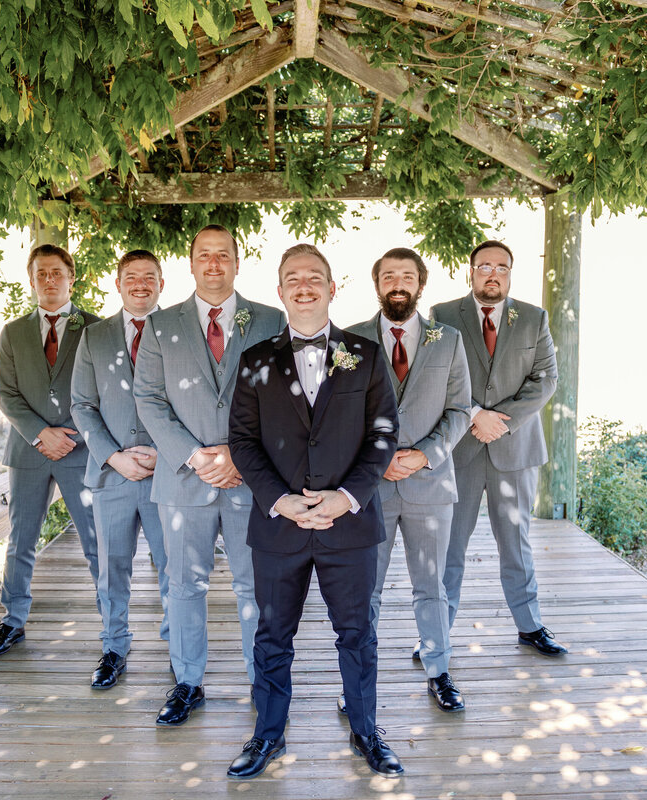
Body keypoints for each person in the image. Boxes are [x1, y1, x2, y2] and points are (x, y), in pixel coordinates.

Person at [225, 243, 404, 780]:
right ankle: (267, 735)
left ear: (332, 287)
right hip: (279, 527)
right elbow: (243, 440)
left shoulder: (365, 355)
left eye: (315, 277)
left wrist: (345, 497)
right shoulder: (255, 360)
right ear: (280, 292)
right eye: (293, 279)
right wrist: (279, 501)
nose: (304, 286)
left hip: (347, 525)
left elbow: (382, 435)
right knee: (273, 635)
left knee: (357, 633)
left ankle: (367, 731)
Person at [133, 225, 286, 726]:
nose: (214, 263)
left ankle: (260, 681)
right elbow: (149, 400)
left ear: (238, 263)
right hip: (183, 480)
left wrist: (242, 456)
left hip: (252, 480)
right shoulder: (161, 326)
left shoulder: (270, 319)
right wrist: (196, 456)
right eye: (205, 255)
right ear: (191, 263)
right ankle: (187, 682)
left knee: (255, 587)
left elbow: (285, 398)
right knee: (183, 587)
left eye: (224, 255)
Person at [347, 247, 472, 712]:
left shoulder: (450, 339)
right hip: (367, 488)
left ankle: (439, 672)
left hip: (430, 483)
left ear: (421, 283)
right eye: (388, 276)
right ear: (377, 283)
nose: (397, 284)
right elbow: (337, 413)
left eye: (407, 276)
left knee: (432, 585)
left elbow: (460, 410)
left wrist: (424, 455)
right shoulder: (350, 340)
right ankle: (358, 680)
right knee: (365, 589)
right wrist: (377, 461)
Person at [431, 239, 567, 657]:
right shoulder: (442, 316)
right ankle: (437, 634)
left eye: (502, 267)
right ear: (470, 271)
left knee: (516, 542)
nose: (493, 273)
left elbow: (545, 380)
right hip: (461, 449)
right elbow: (436, 377)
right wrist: (475, 414)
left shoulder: (533, 318)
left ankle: (529, 626)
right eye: (484, 266)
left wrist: (500, 421)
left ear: (510, 272)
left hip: (515, 448)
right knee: (449, 545)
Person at [0, 243, 101, 658]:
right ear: (32, 280)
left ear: (72, 277)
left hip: (80, 449)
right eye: (41, 274)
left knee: (95, 539)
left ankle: (113, 622)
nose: (49, 280)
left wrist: (70, 434)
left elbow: (105, 393)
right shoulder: (13, 333)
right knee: (21, 540)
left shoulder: (96, 328)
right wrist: (41, 433)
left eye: (57, 272)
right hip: (27, 451)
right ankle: (12, 621)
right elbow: (6, 394)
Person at [70, 249, 170, 689]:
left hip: (167, 474)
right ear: (118, 283)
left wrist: (162, 452)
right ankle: (113, 647)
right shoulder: (94, 337)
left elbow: (193, 402)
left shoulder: (181, 330)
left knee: (174, 567)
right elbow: (82, 406)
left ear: (162, 284)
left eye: (150, 277)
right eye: (132, 277)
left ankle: (179, 650)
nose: (141, 284)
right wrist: (114, 455)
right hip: (111, 475)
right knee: (112, 567)